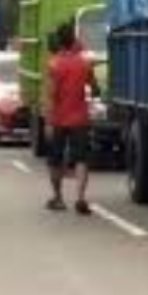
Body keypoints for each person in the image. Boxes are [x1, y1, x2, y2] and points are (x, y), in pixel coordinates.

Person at [46, 21, 100, 215]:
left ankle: (58, 198)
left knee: (55, 160)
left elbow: (52, 95)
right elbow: (95, 90)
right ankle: (80, 198)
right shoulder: (84, 64)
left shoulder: (54, 64)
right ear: (73, 40)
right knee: (81, 159)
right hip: (80, 119)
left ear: (59, 42)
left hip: (59, 119)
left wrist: (49, 122)